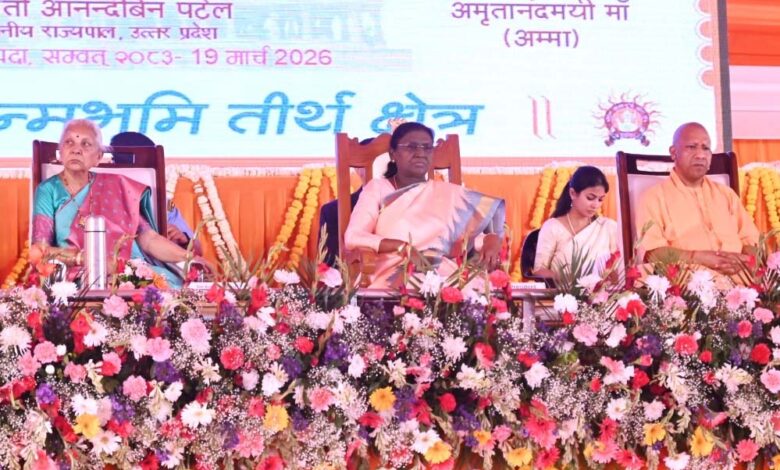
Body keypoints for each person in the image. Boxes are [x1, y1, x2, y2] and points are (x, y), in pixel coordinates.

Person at [31, 119, 193, 288]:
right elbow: (39, 251)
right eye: (69, 142)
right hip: (75, 276)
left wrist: (188, 257)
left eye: (86, 144)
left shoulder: (117, 185)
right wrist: (87, 259)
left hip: (125, 270)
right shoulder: (48, 190)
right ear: (61, 151)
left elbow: (148, 239)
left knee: (169, 285)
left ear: (98, 157)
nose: (76, 149)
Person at [344, 122, 505, 289]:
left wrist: (490, 240)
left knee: (476, 294)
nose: (420, 153)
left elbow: (467, 236)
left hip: (439, 273)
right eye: (411, 147)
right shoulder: (378, 188)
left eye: (427, 148)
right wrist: (403, 248)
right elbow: (353, 236)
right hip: (392, 274)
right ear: (393, 154)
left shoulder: (446, 193)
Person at [636, 122, 759, 275]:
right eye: (691, 147)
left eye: (706, 148)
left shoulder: (726, 194)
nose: (700, 155)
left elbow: (752, 240)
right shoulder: (654, 197)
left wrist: (745, 261)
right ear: (673, 152)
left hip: (740, 281)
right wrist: (698, 258)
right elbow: (652, 253)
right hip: (689, 282)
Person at [109, 131, 203, 256]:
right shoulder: (101, 194)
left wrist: (184, 239)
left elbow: (198, 250)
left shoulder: (162, 203)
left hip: (157, 265)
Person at [533, 166, 619, 280]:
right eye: (590, 198)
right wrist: (572, 282)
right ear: (573, 193)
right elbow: (539, 271)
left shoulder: (608, 227)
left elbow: (618, 271)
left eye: (600, 199)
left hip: (601, 291)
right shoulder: (552, 227)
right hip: (561, 291)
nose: (595, 205)